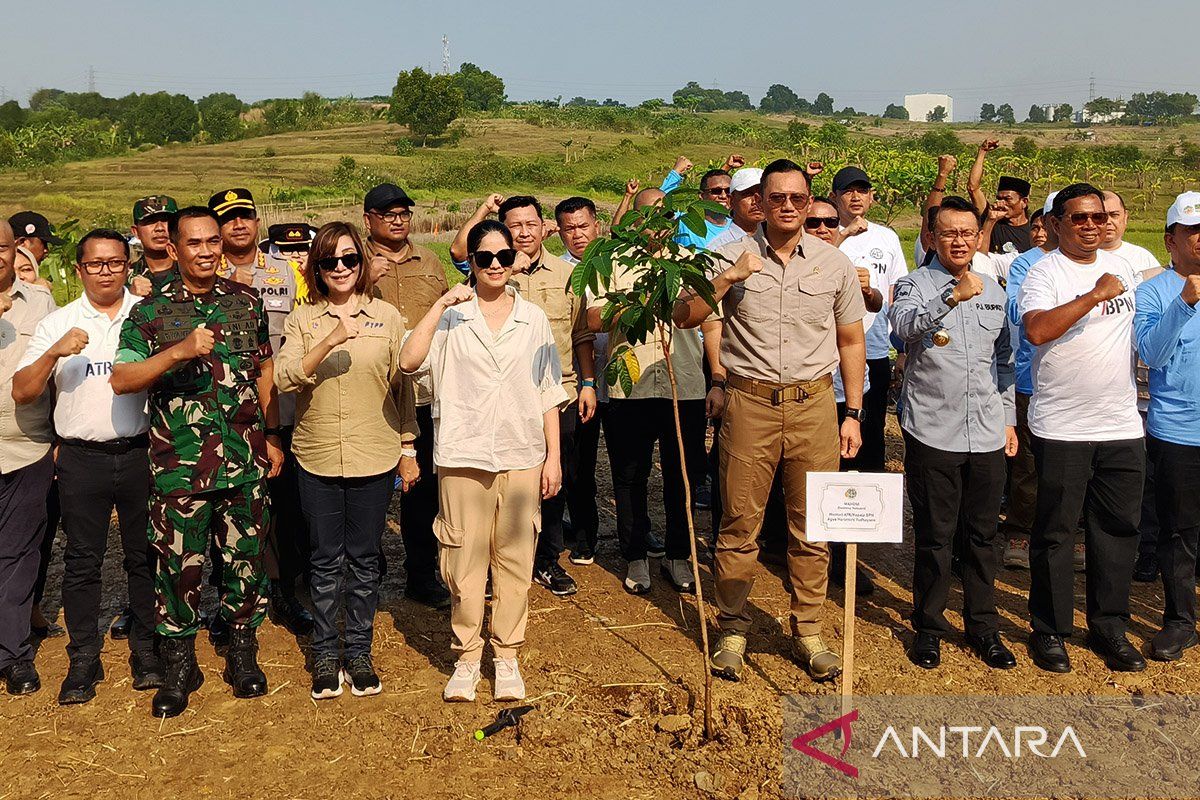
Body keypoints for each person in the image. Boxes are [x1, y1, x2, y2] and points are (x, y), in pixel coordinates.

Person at [674, 158, 867, 682]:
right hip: (748, 404)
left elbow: (851, 339)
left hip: (814, 407)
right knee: (739, 523)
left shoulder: (833, 264)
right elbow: (685, 316)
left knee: (812, 526)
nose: (786, 207)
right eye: (775, 198)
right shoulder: (727, 254)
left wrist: (853, 412)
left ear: (809, 202)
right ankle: (733, 626)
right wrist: (729, 277)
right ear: (758, 201)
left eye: (797, 199)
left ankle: (808, 629)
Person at [111, 206, 284, 717]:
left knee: (244, 564)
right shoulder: (150, 311)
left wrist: (269, 432)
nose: (206, 251)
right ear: (174, 247)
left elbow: (264, 366)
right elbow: (122, 378)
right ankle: (179, 665)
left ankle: (243, 655)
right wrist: (178, 352)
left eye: (212, 241)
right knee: (177, 570)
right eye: (195, 243)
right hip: (180, 469)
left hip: (244, 463)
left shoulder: (245, 302)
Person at [400, 219, 566, 703]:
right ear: (469, 262)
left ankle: (507, 655)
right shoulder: (452, 316)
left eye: (503, 256)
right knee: (462, 562)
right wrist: (437, 306)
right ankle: (468, 656)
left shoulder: (532, 317)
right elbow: (410, 362)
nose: (495, 265)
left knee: (515, 559)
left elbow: (548, 391)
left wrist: (553, 458)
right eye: (483, 257)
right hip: (462, 454)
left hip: (521, 455)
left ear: (515, 259)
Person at [12, 229, 160, 704]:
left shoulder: (146, 316)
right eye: (95, 264)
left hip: (140, 452)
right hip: (81, 458)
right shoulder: (58, 323)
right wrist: (55, 351)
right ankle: (83, 657)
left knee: (143, 555)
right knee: (82, 561)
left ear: (127, 266)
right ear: (79, 270)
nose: (105, 272)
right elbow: (23, 390)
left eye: (114, 263)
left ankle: (146, 649)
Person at [275, 222, 418, 699]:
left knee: (364, 559)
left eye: (349, 259)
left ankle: (358, 652)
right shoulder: (303, 320)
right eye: (329, 261)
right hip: (316, 456)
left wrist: (408, 448)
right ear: (316, 268)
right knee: (323, 559)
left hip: (374, 454)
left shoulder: (388, 318)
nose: (340, 268)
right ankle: (323, 652)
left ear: (361, 263)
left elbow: (404, 389)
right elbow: (285, 379)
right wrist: (332, 338)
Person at [1018, 183, 1145, 674]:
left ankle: (1109, 625)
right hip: (1063, 425)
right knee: (1055, 532)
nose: (1092, 225)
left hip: (1120, 422)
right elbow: (1036, 330)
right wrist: (1094, 295)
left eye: (1098, 217)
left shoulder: (1129, 268)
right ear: (1055, 224)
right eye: (1079, 218)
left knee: (1116, 530)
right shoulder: (1043, 271)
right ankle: (1049, 629)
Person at [889, 197, 1019, 671]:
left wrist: (1008, 419)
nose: (960, 240)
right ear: (932, 237)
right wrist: (950, 296)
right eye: (949, 233)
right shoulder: (913, 285)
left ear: (978, 237)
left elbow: (1004, 361)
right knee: (935, 537)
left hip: (985, 431)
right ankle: (928, 627)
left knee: (983, 537)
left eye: (968, 232)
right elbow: (901, 327)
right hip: (933, 430)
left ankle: (984, 628)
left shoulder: (996, 291)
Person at [450, 195, 595, 596]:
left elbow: (581, 333)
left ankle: (546, 560)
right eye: (515, 225)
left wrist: (587, 383)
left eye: (532, 223)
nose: (525, 231)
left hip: (558, 393)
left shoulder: (567, 273)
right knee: (501, 482)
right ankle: (497, 563)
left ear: (544, 225)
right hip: (501, 400)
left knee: (552, 480)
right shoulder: (488, 272)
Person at [587, 188, 717, 596]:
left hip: (686, 386)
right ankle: (636, 555)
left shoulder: (690, 264)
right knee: (629, 476)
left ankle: (680, 556)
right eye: (649, 214)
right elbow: (594, 317)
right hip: (632, 387)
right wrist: (640, 301)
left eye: (665, 214)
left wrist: (720, 378)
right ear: (635, 220)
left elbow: (709, 321)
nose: (658, 222)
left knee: (684, 475)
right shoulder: (614, 263)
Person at [362, 182, 451, 609]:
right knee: (370, 491)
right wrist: (365, 279)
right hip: (371, 394)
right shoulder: (351, 260)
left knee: (422, 491)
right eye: (387, 214)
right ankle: (368, 575)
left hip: (423, 393)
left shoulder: (431, 261)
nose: (398, 220)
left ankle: (421, 574)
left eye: (403, 213)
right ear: (369, 221)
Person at [1133, 191, 1200, 662]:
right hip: (1178, 428)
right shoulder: (1153, 291)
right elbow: (1151, 355)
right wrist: (1185, 302)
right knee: (1178, 532)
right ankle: (1180, 620)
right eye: (1192, 231)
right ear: (1170, 239)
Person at [0, 218, 57, 695]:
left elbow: (55, 369)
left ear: (13, 248)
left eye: (0, 247)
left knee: (20, 555)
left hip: (27, 444)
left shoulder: (40, 302)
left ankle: (15, 654)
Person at [830, 166, 906, 475]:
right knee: (830, 426)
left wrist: (899, 347)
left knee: (871, 427)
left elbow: (896, 291)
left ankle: (869, 504)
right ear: (835, 196)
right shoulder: (825, 232)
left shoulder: (886, 238)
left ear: (871, 197)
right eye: (848, 191)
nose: (856, 196)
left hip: (873, 347)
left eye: (862, 190)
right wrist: (842, 234)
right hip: (829, 349)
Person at [1001, 193, 1060, 571]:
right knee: (1027, 462)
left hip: (1081, 384)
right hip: (1030, 376)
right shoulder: (1027, 264)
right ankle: (1020, 532)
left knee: (1076, 463)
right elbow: (1018, 311)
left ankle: (1073, 533)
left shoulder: (1102, 264)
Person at [555, 196, 605, 565]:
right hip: (577, 383)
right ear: (558, 232)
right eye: (569, 228)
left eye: (583, 225)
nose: (577, 234)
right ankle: (577, 533)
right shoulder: (558, 273)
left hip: (617, 381)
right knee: (574, 462)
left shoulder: (616, 264)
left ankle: (592, 532)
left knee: (613, 463)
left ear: (596, 225)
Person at [967, 140, 1033, 254]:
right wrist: (982, 152)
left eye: (1007, 199)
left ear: (1024, 202)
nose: (1001, 203)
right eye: (999, 198)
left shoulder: (1034, 230)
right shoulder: (992, 219)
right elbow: (973, 188)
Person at [128, 195, 179, 295]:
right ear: (136, 232)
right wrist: (130, 297)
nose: (160, 228)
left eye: (166, 220)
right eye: (150, 221)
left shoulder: (194, 270)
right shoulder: (125, 277)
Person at [1101, 190, 1159, 272]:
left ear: (1125, 217)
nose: (1108, 222)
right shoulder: (1080, 259)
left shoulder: (1143, 258)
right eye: (1101, 216)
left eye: (1114, 215)